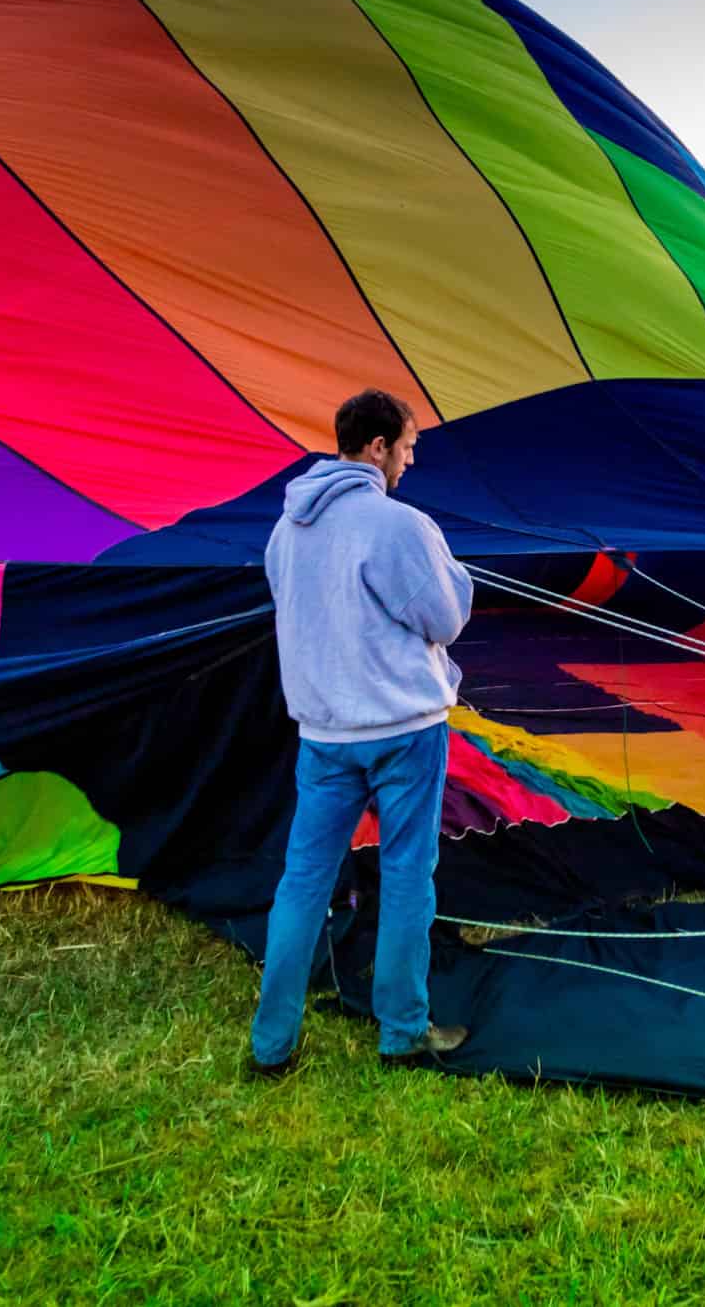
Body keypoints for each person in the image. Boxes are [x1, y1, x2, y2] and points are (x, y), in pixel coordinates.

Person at [249, 389, 473, 1076]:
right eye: (406, 446)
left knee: (303, 879)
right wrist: (458, 577)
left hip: (323, 731)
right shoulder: (396, 524)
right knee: (407, 872)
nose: (409, 459)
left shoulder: (286, 530)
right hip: (403, 728)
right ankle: (402, 1030)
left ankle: (271, 1045)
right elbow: (445, 617)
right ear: (376, 447)